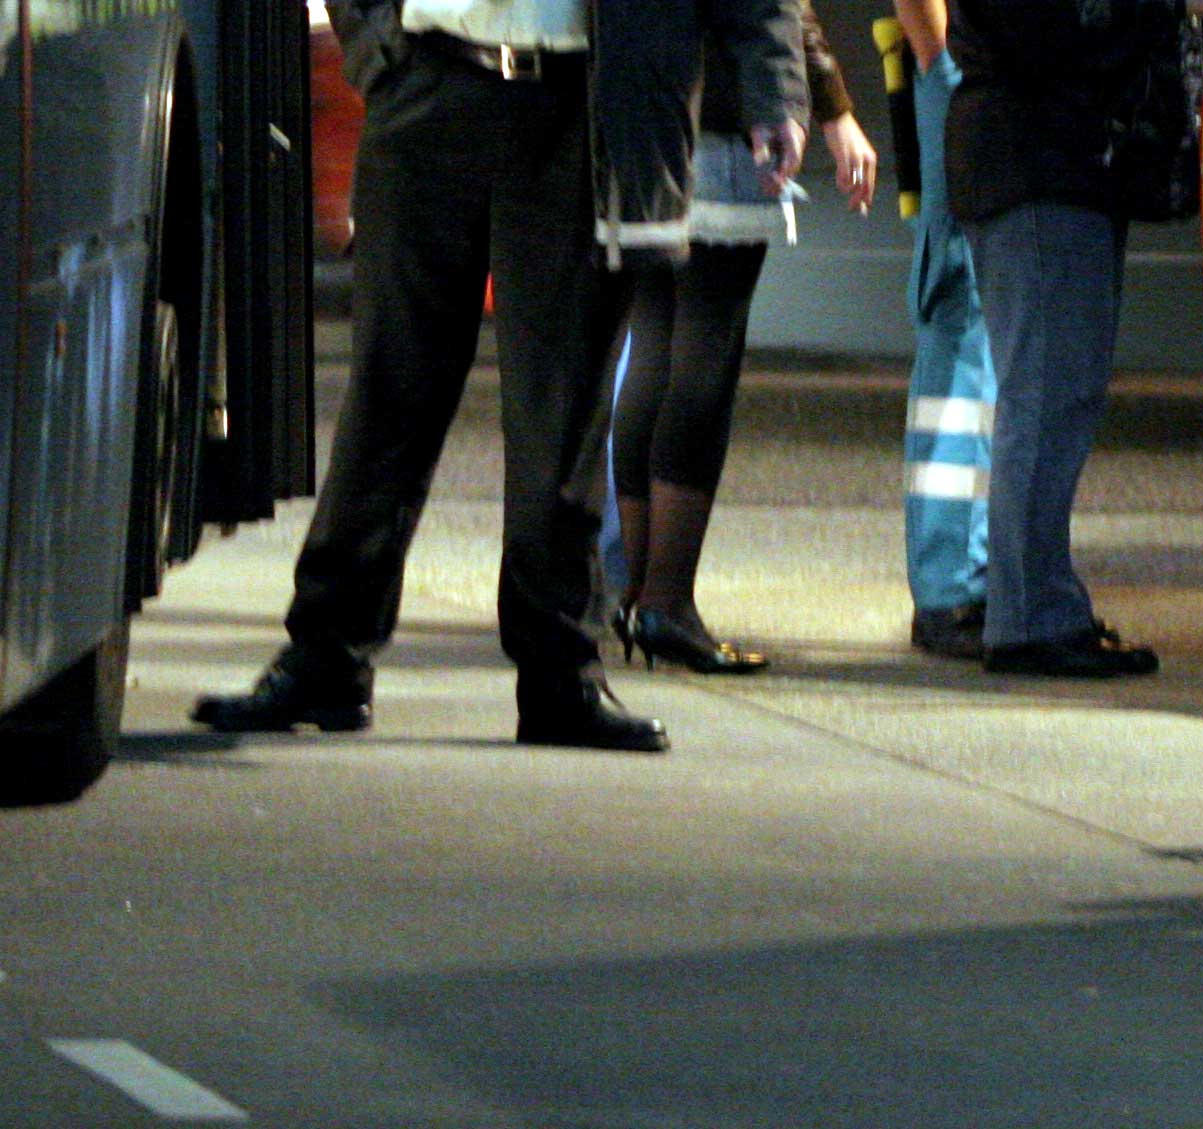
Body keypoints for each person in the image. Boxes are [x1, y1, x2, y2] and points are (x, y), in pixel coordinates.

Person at [190, 0, 804, 748]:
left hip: (584, 104)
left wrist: (776, 90)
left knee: (562, 412)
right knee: (390, 396)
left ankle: (559, 676)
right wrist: (378, 53)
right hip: (428, 79)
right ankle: (327, 655)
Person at [946, 0, 1203, 677]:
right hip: (1037, 162)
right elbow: (1041, 32)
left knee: (1055, 399)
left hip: (1048, 161)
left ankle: (1037, 605)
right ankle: (1027, 619)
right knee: (1047, 400)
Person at [608, 0, 877, 674]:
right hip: (728, 117)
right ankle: (667, 602)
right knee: (704, 356)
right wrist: (832, 107)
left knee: (651, 345)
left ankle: (635, 593)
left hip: (646, 112)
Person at [889, 0, 998, 662]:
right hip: (961, 79)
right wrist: (942, 63)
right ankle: (949, 586)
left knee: (970, 336)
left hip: (963, 73)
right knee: (962, 328)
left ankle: (958, 577)